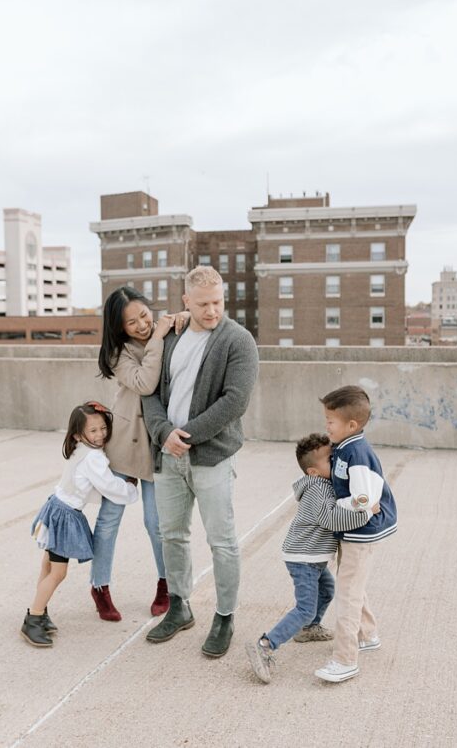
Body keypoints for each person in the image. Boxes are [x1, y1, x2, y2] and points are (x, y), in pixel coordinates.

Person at [141, 265, 260, 658]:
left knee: (222, 541)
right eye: (204, 303)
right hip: (168, 456)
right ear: (186, 302)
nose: (212, 311)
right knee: (171, 535)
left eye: (218, 302)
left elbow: (235, 401)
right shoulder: (172, 337)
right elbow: (150, 392)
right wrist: (163, 435)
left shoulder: (238, 340)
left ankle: (224, 616)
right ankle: (179, 606)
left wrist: (184, 436)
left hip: (210, 457)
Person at [245, 433, 378, 683]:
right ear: (313, 471)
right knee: (305, 608)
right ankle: (266, 644)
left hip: (312, 557)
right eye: (331, 459)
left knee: (327, 591)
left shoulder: (324, 484)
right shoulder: (318, 489)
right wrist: (366, 513)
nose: (337, 462)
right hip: (303, 558)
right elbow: (332, 519)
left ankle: (308, 629)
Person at [90, 287, 187, 622]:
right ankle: (99, 586)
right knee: (109, 520)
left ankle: (165, 584)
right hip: (124, 442)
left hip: (157, 443)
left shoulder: (169, 331)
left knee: (156, 522)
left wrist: (182, 319)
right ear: (120, 328)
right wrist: (159, 334)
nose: (142, 325)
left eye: (145, 316)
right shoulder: (120, 353)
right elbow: (146, 383)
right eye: (132, 323)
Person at [23, 403, 138, 646]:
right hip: (64, 515)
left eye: (103, 428)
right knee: (58, 573)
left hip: (55, 507)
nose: (100, 435)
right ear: (78, 434)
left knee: (47, 567)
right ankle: (33, 618)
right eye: (93, 431)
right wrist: (129, 488)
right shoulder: (94, 457)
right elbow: (109, 486)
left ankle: (39, 611)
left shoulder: (80, 448)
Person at [313, 385, 398, 683]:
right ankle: (368, 634)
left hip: (361, 531)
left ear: (352, 425)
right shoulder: (345, 446)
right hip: (352, 529)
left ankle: (345, 658)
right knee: (352, 583)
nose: (326, 425)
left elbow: (364, 499)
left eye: (331, 421)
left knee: (347, 593)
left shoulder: (357, 453)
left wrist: (338, 504)